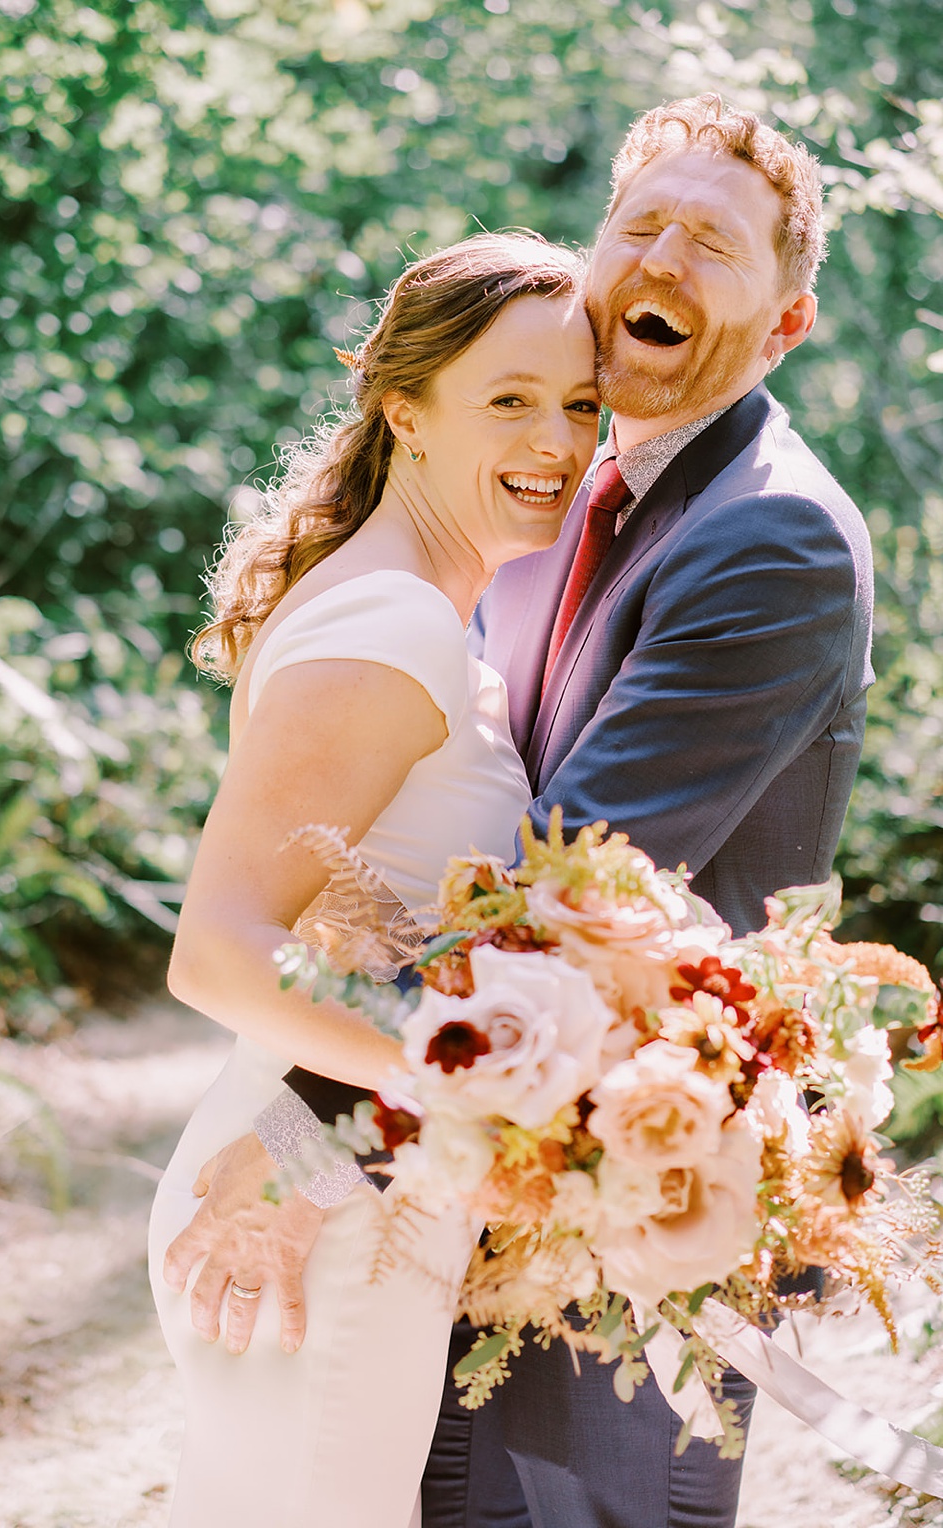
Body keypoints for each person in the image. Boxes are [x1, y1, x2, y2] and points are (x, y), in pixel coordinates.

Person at [163, 94, 875, 1528]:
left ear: (785, 323)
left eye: (715, 244)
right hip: (458, 1166)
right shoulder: (548, 507)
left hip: (633, 1203)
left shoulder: (769, 533)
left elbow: (574, 886)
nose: (664, 258)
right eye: (643, 225)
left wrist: (315, 1127)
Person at [147, 231, 601, 1528]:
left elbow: (367, 932)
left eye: (580, 405)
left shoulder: (408, 603)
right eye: (508, 399)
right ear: (404, 408)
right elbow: (217, 950)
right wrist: (399, 1111)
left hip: (338, 1181)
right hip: (317, 1207)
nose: (555, 440)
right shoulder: (397, 625)